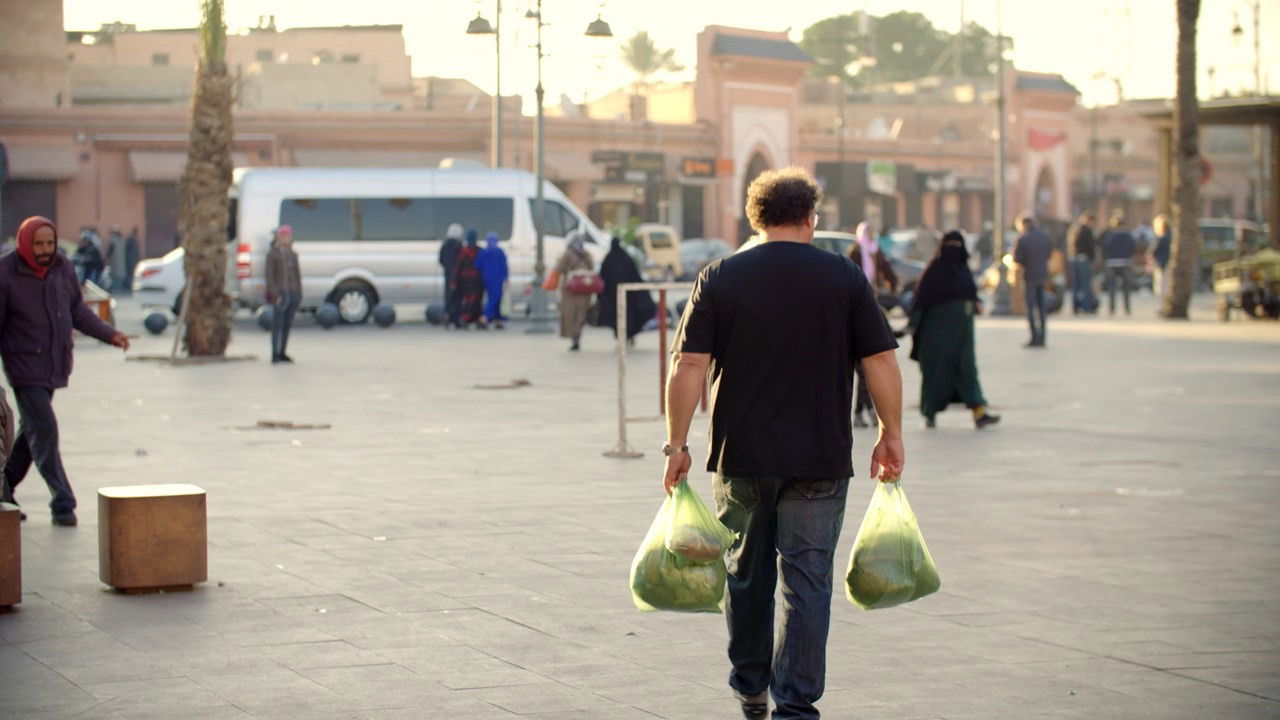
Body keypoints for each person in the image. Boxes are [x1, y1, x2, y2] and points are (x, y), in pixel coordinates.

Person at [663, 168, 903, 720]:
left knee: (746, 575)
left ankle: (751, 687)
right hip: (820, 458)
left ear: (755, 218)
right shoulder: (843, 277)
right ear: (810, 219)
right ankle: (795, 704)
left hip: (742, 457)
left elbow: (689, 364)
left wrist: (676, 445)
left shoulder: (721, 276)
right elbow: (880, 360)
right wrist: (890, 434)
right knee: (807, 581)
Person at [0, 216, 130, 526]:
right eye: (38, 244)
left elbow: (77, 311)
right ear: (25, 243)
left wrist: (109, 334)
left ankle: (4, 490)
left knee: (32, 431)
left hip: (54, 364)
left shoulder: (62, 267)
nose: (45, 249)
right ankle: (63, 502)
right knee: (45, 429)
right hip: (23, 366)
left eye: (50, 243)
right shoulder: (5, 272)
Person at [909, 231, 1001, 429]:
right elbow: (920, 302)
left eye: (957, 245)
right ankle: (929, 413)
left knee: (967, 372)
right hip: (936, 338)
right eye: (950, 244)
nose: (954, 249)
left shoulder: (963, 270)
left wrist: (975, 303)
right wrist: (912, 325)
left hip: (962, 337)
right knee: (935, 374)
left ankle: (979, 413)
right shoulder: (934, 271)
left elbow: (971, 293)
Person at [598, 236, 657, 345]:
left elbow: (603, 275)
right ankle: (627, 337)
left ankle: (623, 338)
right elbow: (635, 275)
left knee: (619, 317)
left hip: (616, 296)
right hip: (627, 295)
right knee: (627, 316)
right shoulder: (625, 257)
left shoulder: (609, 258)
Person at [1013, 215, 1052, 348]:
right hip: (1043, 275)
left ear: (1023, 225)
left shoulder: (1023, 239)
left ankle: (1034, 337)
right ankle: (1043, 337)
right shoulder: (1044, 237)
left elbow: (1017, 259)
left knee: (1030, 308)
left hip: (1029, 275)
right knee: (1041, 307)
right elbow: (1049, 254)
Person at [553, 231, 595, 351]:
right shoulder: (587, 254)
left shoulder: (567, 254)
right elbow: (592, 268)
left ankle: (574, 338)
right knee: (581, 314)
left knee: (569, 314)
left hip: (570, 289)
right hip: (585, 288)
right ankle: (577, 336)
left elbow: (558, 269)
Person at [266, 225, 301, 364]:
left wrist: (299, 293)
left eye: (288, 236)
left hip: (292, 292)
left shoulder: (293, 254)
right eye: (283, 236)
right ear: (278, 237)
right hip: (280, 294)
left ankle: (283, 352)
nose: (285, 238)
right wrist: (275, 294)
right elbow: (269, 276)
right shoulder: (273, 254)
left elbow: (297, 275)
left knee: (287, 324)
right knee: (278, 325)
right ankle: (274, 353)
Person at [1100, 215, 1136, 316]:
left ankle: (1112, 308)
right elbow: (1133, 247)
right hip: (1125, 262)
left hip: (1111, 262)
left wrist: (1105, 259)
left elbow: (1104, 248)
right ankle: (1127, 308)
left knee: (1112, 287)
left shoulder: (1109, 236)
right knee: (1126, 288)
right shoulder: (1128, 236)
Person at [475, 231, 509, 329]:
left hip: (486, 278)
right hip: (497, 278)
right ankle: (484, 318)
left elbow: (477, 265)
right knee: (495, 298)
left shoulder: (483, 252)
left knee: (493, 297)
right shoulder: (500, 252)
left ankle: (497, 320)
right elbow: (504, 267)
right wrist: (506, 279)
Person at [452, 229, 486, 328]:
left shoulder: (463, 251)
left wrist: (454, 281)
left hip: (465, 281)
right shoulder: (480, 250)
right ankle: (474, 319)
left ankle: (465, 319)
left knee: (467, 300)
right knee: (477, 300)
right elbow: (483, 266)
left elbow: (458, 267)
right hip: (477, 280)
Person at [1066, 213, 1098, 314]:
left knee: (1076, 284)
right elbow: (1090, 246)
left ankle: (1075, 307)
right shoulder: (1087, 230)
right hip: (1084, 259)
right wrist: (1093, 259)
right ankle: (1086, 307)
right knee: (1085, 284)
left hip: (1073, 258)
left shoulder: (1073, 229)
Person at [438, 223, 463, 326]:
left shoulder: (444, 245)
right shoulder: (459, 245)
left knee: (448, 296)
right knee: (457, 297)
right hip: (457, 274)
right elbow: (461, 260)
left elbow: (441, 260)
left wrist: (447, 267)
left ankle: (447, 315)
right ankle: (456, 319)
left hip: (448, 274)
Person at [1151, 214, 1172, 297]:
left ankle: (1163, 299)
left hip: (1161, 262)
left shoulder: (1160, 238)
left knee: (1161, 284)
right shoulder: (1172, 237)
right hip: (1171, 262)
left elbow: (1152, 251)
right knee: (1168, 283)